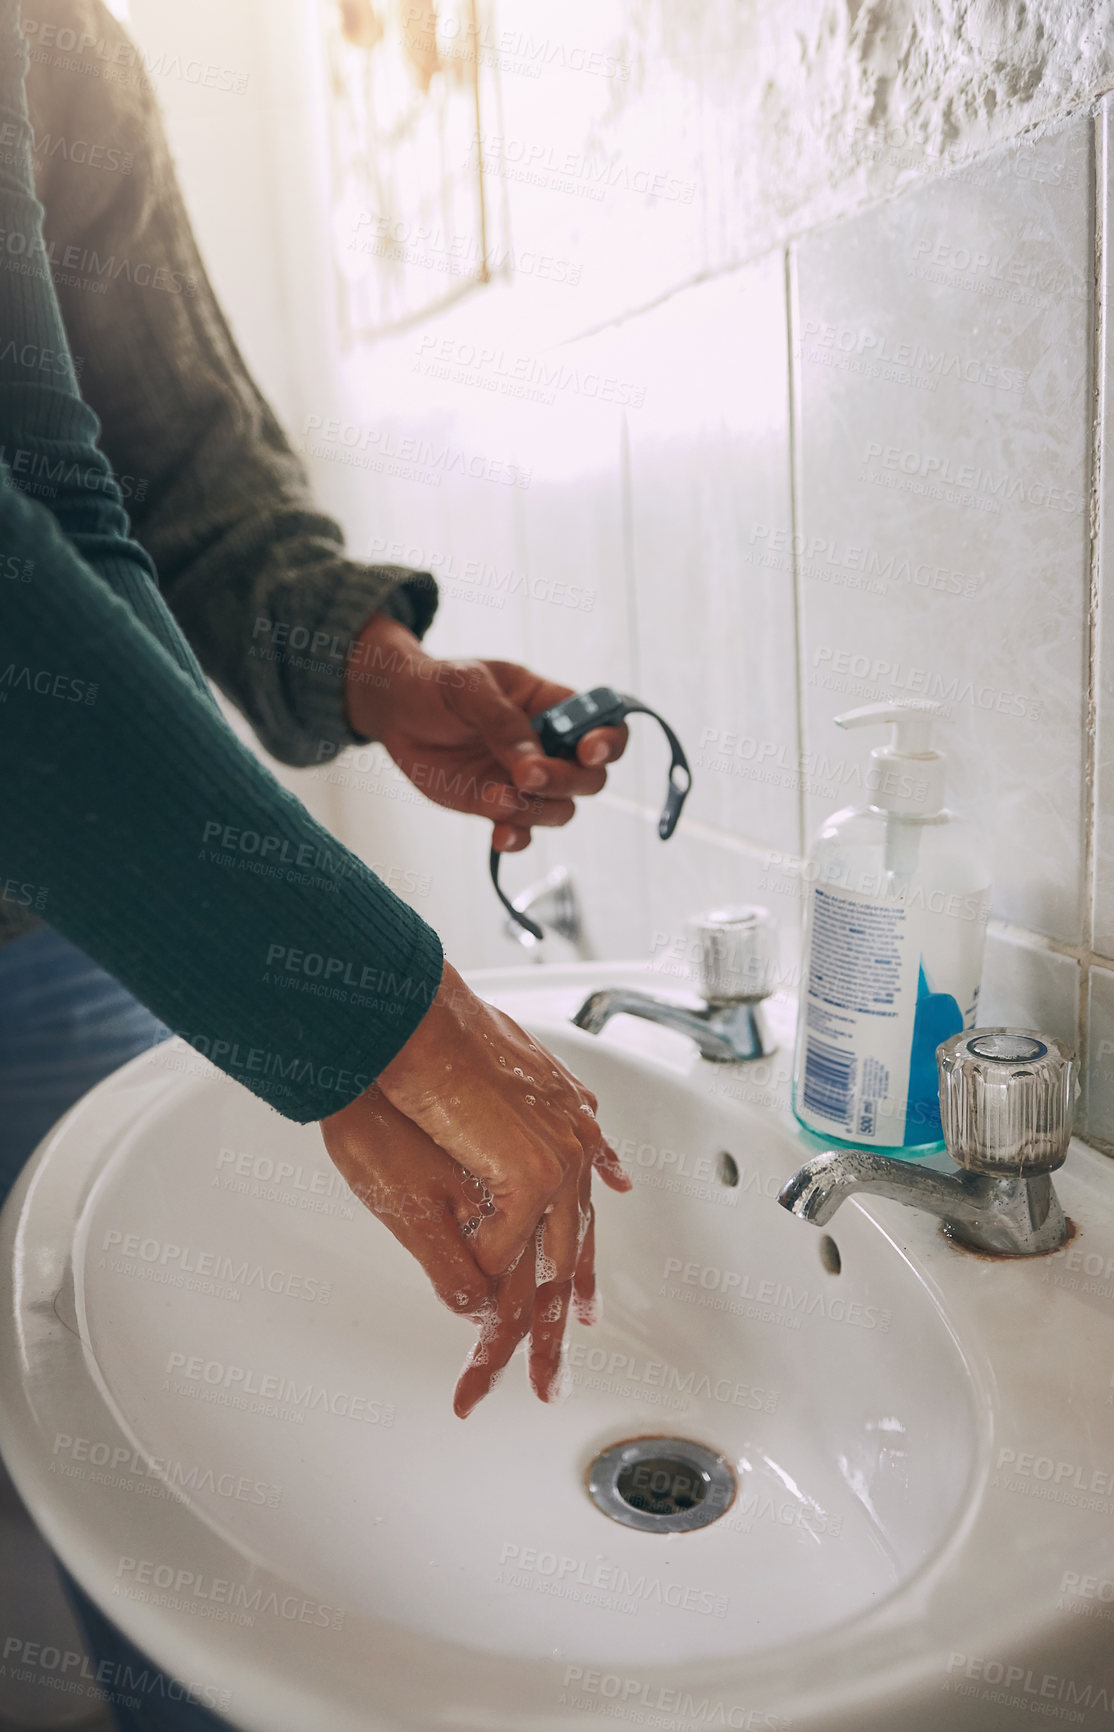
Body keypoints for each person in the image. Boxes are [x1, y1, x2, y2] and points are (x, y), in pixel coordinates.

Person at [0, 2, 629, 1725]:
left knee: (133, 1464)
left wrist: (371, 668)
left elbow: (149, 465)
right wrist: (369, 1002)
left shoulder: (60, 41)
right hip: (133, 873)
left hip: (73, 914)